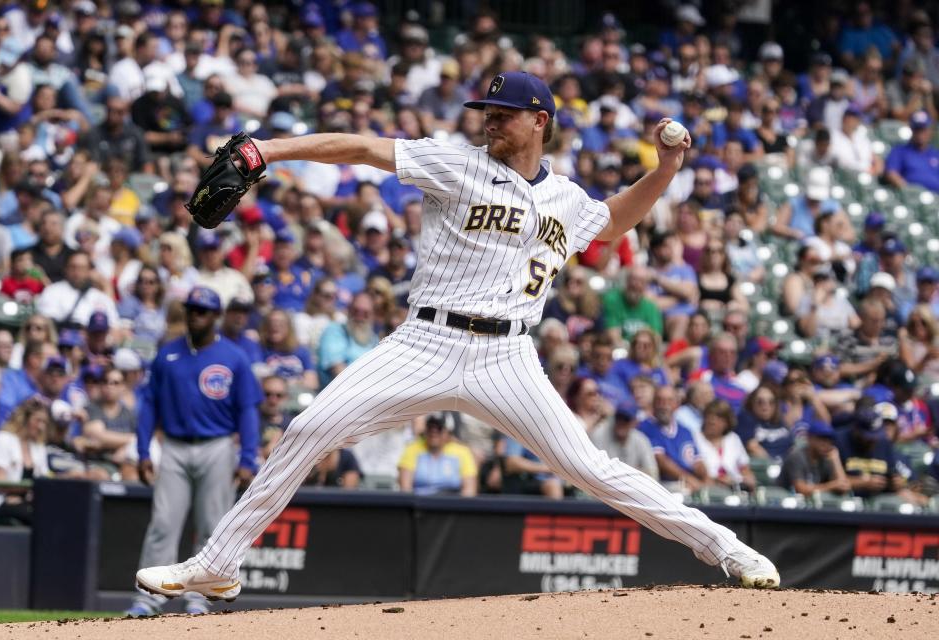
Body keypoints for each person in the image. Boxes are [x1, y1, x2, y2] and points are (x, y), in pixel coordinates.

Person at [135, 71, 779, 602]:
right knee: (308, 429)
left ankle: (727, 546)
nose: (490, 122)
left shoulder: (565, 197)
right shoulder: (455, 161)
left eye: (503, 113)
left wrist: (666, 169)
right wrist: (267, 151)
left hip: (509, 355)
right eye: (486, 112)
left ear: (539, 121)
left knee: (592, 468)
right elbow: (362, 147)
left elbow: (611, 223)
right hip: (425, 343)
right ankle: (218, 563)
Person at [127, 286, 262, 618]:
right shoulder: (167, 354)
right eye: (191, 309)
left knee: (212, 526)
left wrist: (247, 457)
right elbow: (148, 406)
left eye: (202, 311)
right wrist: (143, 450)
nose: (195, 315)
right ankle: (150, 596)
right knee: (163, 522)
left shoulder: (234, 357)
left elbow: (247, 411)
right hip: (173, 445)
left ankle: (199, 597)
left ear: (215, 316)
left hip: (217, 445)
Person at [0, 396, 51, 526]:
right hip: (1, 503)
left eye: (45, 423)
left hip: (28, 502)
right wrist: (25, 491)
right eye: (38, 420)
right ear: (24, 419)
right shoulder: (2, 439)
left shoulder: (38, 447)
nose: (41, 427)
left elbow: (44, 479)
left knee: (54, 512)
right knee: (37, 516)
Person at [398, 413, 477, 496]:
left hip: (452, 505)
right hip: (419, 504)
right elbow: (405, 488)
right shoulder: (412, 449)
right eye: (430, 427)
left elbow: (469, 491)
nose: (434, 431)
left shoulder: (462, 452)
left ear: (448, 432)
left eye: (439, 428)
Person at [778, 419, 850, 497]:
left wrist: (836, 460)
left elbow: (844, 487)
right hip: (784, 501)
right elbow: (801, 490)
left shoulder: (827, 458)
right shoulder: (796, 456)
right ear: (809, 438)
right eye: (821, 439)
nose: (826, 444)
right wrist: (832, 486)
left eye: (829, 440)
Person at [589, 400, 658, 480]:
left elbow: (653, 474)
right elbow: (594, 470)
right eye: (619, 418)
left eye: (626, 419)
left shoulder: (641, 440)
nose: (621, 423)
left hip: (631, 487)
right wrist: (635, 472)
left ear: (634, 422)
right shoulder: (599, 434)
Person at [694, 399, 755, 490]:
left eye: (718, 418)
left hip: (734, 486)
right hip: (708, 486)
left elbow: (744, 467)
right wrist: (719, 479)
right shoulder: (694, 438)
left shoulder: (733, 438)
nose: (712, 421)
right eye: (709, 416)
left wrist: (748, 478)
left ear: (727, 422)